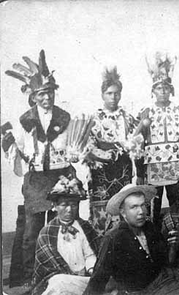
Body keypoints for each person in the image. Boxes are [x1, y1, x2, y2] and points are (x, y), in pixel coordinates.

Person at [2, 50, 77, 288]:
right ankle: (29, 278)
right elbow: (19, 153)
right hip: (36, 181)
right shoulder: (26, 120)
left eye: (50, 93)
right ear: (34, 97)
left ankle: (59, 271)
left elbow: (71, 146)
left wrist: (73, 154)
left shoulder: (65, 117)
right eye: (42, 94)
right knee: (32, 231)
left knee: (61, 225)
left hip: (60, 176)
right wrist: (13, 148)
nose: (47, 98)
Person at [85, 184, 179, 295]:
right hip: (137, 292)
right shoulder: (113, 238)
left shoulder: (150, 227)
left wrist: (173, 247)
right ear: (123, 212)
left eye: (143, 205)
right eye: (134, 207)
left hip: (162, 283)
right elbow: (98, 279)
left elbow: (166, 262)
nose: (141, 211)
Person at [136, 51, 179, 220]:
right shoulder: (145, 112)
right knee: (153, 205)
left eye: (166, 88)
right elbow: (139, 143)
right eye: (159, 88)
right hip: (153, 166)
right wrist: (140, 171)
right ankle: (154, 240)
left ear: (171, 90)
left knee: (177, 203)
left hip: (176, 164)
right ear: (153, 90)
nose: (162, 91)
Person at [84, 66, 138, 234]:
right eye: (109, 93)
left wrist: (131, 146)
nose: (113, 97)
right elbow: (87, 145)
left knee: (123, 203)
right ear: (102, 95)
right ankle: (102, 245)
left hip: (122, 167)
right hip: (101, 168)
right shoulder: (94, 119)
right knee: (102, 206)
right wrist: (103, 155)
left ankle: (125, 243)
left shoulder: (127, 117)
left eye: (116, 93)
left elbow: (136, 141)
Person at [31, 176, 100, 295]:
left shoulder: (85, 227)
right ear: (55, 206)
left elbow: (90, 254)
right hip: (59, 279)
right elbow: (47, 269)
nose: (69, 210)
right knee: (58, 284)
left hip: (82, 280)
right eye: (64, 205)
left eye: (73, 205)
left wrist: (92, 269)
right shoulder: (47, 233)